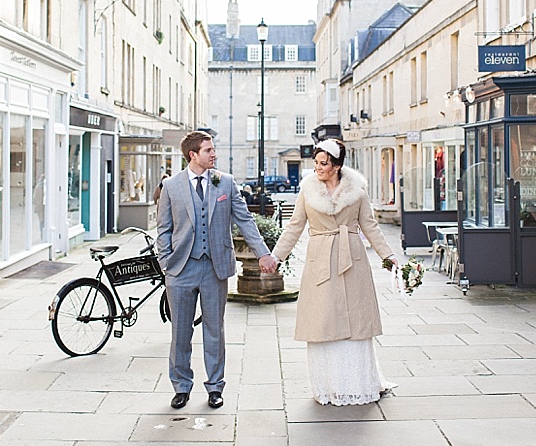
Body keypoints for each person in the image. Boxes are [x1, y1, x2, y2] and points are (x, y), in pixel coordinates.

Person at [266, 138, 398, 406]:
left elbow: (370, 226)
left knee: (356, 322)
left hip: (353, 261)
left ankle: (358, 384)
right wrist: (276, 256)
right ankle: (328, 386)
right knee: (322, 322)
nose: (318, 168)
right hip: (320, 262)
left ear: (337, 166)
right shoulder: (307, 191)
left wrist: (389, 256)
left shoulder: (357, 191)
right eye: (316, 162)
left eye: (323, 163)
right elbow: (294, 226)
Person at [156, 131, 277, 410]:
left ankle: (215, 387)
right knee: (180, 333)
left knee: (214, 330)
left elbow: (245, 220)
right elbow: (163, 230)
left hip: (215, 268)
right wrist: (167, 264)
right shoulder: (171, 186)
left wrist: (263, 253)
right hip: (181, 269)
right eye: (208, 150)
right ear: (193, 155)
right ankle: (182, 387)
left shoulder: (226, 183)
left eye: (213, 149)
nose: (214, 154)